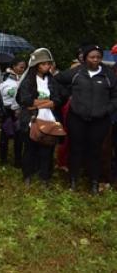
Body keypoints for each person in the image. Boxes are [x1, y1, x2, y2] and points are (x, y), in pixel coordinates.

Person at [56, 45, 117, 193]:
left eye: (98, 57)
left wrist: (107, 109)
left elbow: (115, 96)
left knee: (95, 151)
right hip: (77, 117)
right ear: (85, 58)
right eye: (92, 57)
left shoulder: (108, 75)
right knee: (76, 149)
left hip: (100, 119)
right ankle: (73, 181)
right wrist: (67, 96)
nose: (95, 60)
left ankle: (94, 182)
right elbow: (57, 80)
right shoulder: (76, 72)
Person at [17, 48, 63, 186]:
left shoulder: (51, 80)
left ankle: (45, 177)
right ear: (37, 65)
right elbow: (25, 100)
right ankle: (27, 176)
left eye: (48, 64)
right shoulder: (28, 81)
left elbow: (58, 99)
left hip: (49, 119)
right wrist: (47, 103)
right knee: (30, 148)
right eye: (43, 64)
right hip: (32, 119)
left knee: (47, 149)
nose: (46, 67)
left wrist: (42, 103)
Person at [0, 59, 26, 167]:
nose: (22, 69)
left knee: (19, 138)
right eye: (20, 67)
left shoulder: (25, 80)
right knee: (4, 136)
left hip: (19, 112)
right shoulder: (4, 80)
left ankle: (18, 161)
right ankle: (3, 160)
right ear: (14, 66)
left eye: (24, 67)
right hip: (7, 112)